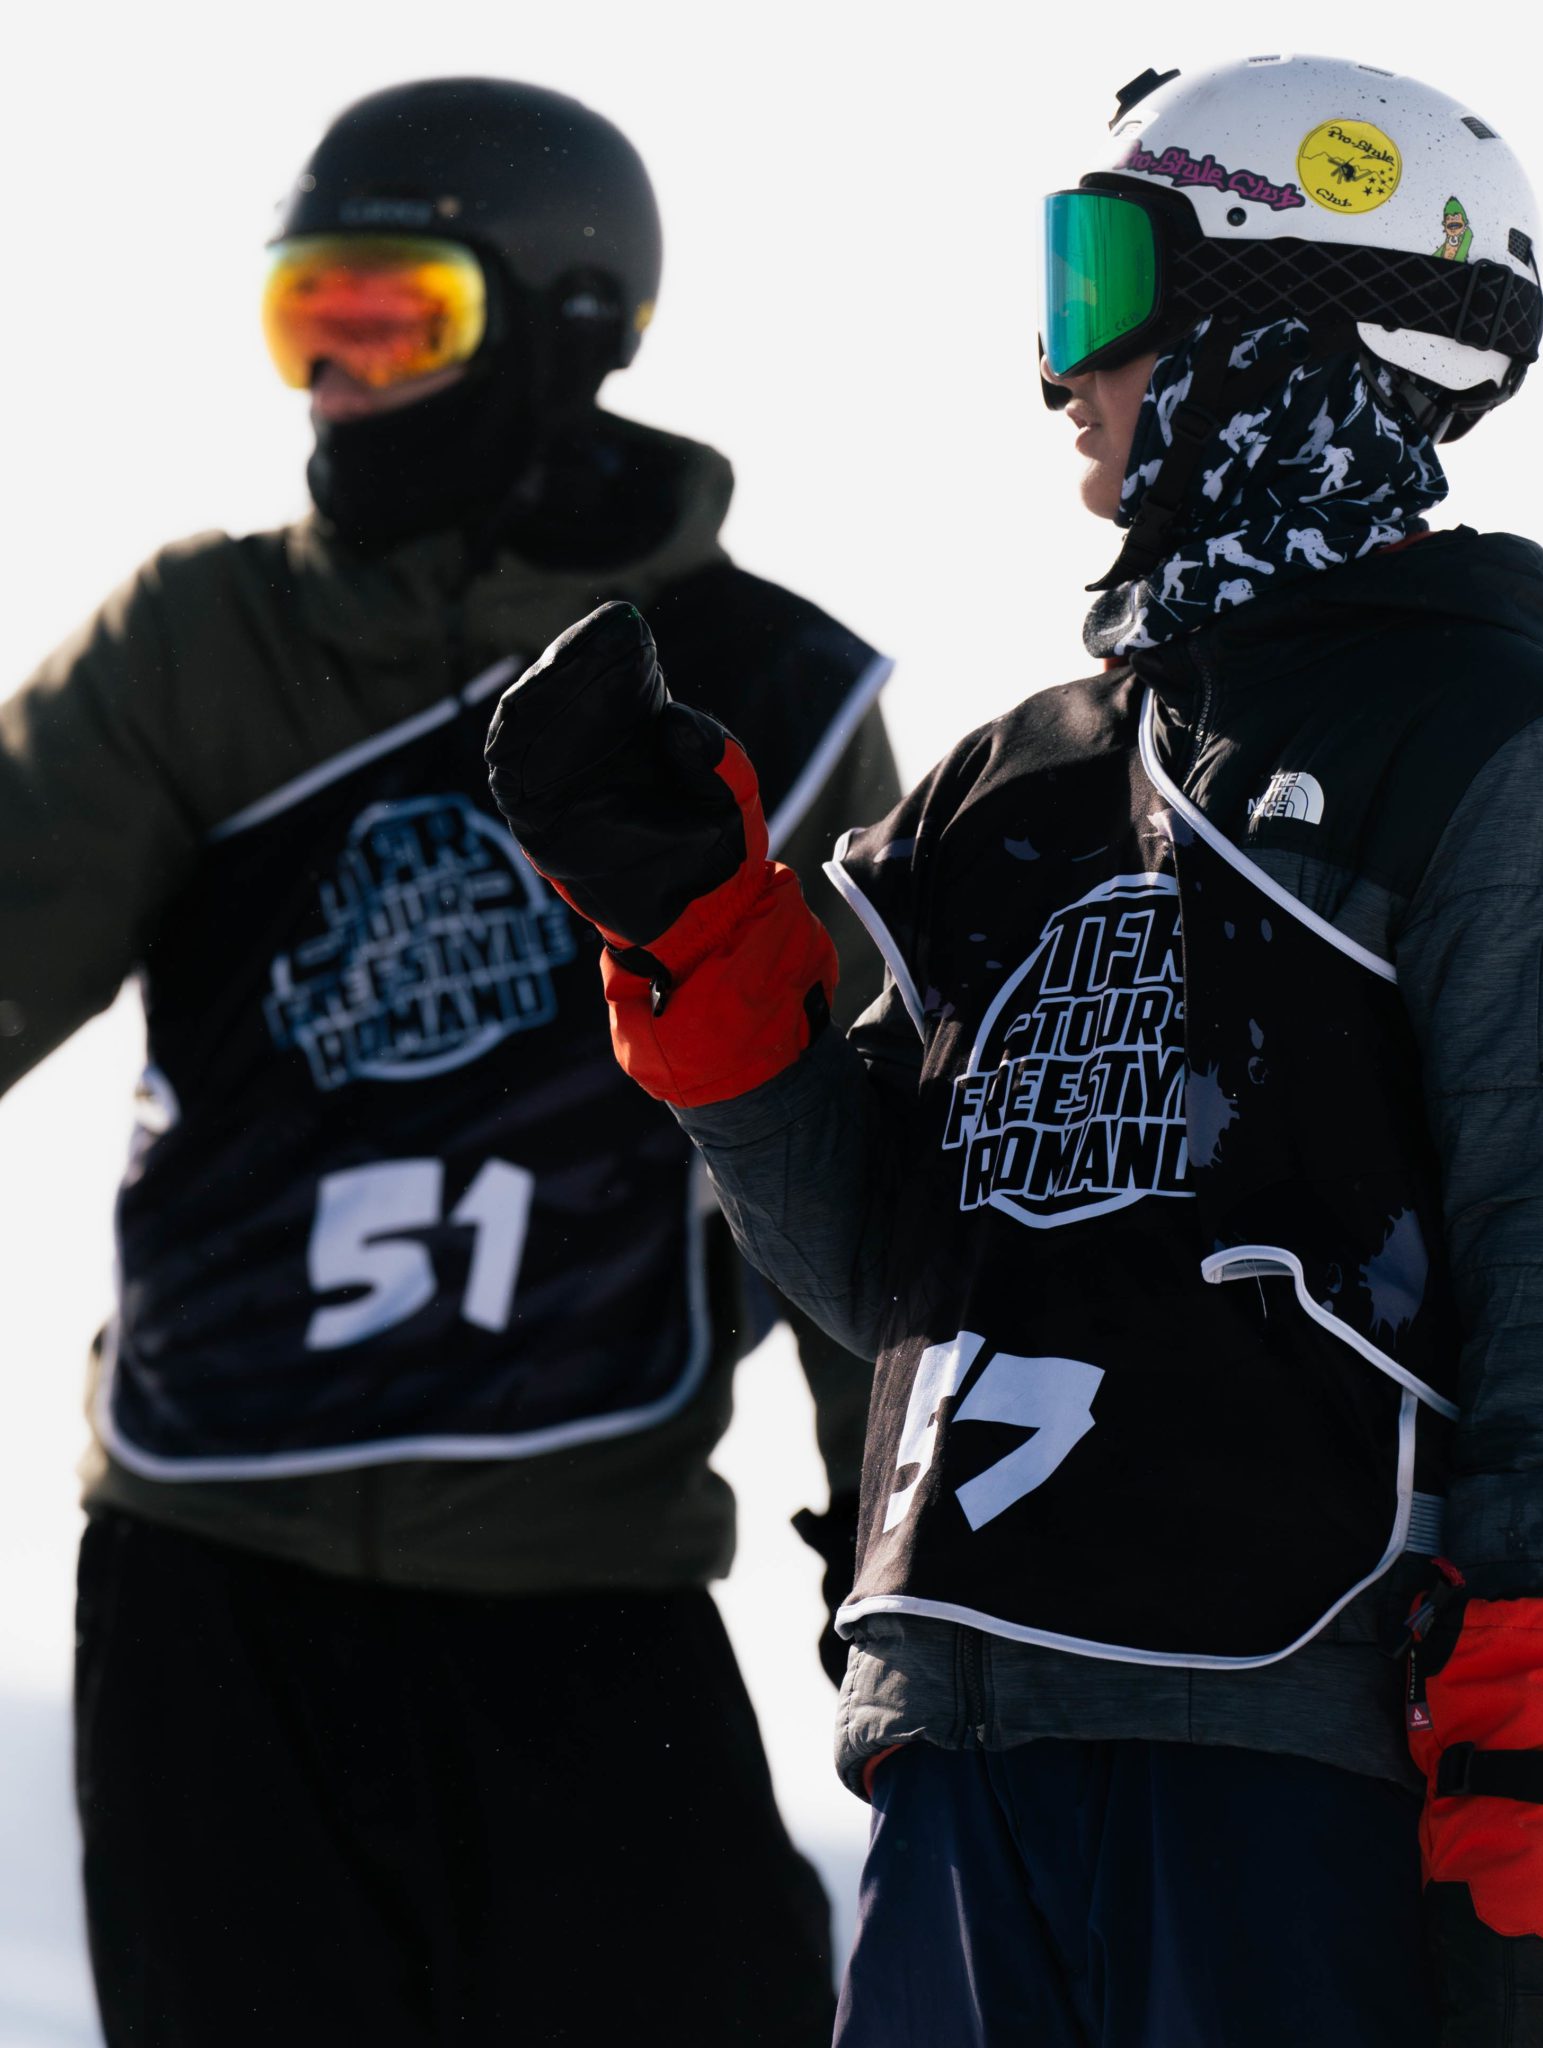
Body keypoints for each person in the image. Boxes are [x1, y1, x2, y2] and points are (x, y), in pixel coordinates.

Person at [485, 53, 1543, 2048]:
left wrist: (1538, 1758)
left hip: (1287, 1751)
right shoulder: (1013, 787)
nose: (1058, 373)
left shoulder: (1503, 739)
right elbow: (888, 1269)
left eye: (1102, 286)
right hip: (965, 1732)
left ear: (1287, 321)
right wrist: (699, 938)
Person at [0, 77, 896, 2048]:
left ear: (568, 330)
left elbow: (859, 1162)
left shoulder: (774, 695)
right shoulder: (206, 644)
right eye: (302, 319)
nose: (334, 379)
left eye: (395, 319)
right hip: (211, 1579)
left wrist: (894, 1538)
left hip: (582, 1585)